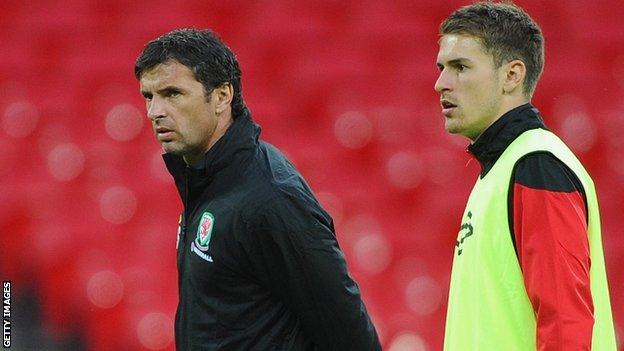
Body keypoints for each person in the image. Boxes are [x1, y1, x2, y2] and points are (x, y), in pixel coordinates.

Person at [134, 29, 381, 350]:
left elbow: (347, 330)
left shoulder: (270, 197)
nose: (155, 112)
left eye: (173, 94)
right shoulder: (206, 178)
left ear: (222, 96)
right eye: (149, 97)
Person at [434, 2, 616, 350]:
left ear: (512, 75)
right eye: (442, 67)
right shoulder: (502, 169)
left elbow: (565, 324)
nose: (441, 83)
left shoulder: (535, 166)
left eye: (460, 67)